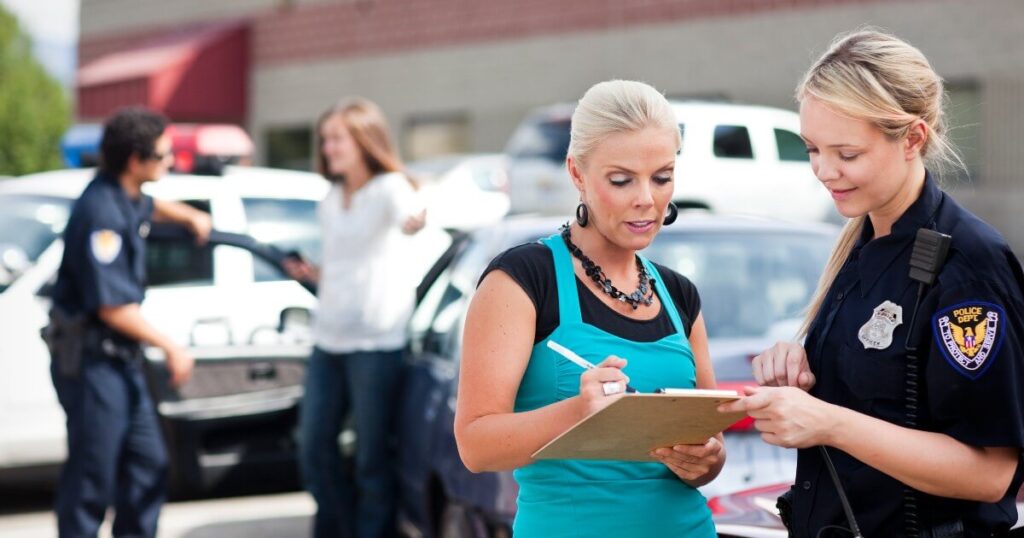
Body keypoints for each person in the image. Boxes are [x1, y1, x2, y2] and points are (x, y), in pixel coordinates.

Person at [719, 30, 1024, 537]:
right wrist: (797, 371)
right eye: (812, 148)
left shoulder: (969, 265)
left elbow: (991, 474)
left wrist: (827, 422)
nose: (823, 170)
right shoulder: (861, 243)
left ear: (912, 138)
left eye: (847, 153)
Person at [454, 80, 723, 537]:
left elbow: (709, 436)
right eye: (621, 180)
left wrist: (706, 460)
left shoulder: (679, 294)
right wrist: (580, 411)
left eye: (662, 177)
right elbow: (476, 446)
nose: (647, 199)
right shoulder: (523, 279)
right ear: (577, 173)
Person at [47, 107, 212, 538]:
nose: (171, 161)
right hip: (91, 363)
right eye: (163, 155)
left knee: (148, 465)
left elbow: (149, 207)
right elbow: (112, 308)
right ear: (135, 161)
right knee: (92, 478)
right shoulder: (101, 213)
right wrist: (172, 346)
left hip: (120, 363)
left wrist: (188, 215)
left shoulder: (126, 194)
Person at [284, 97, 426, 538]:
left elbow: (410, 215)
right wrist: (314, 274)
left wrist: (415, 219)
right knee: (313, 448)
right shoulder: (330, 198)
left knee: (371, 458)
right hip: (329, 339)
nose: (328, 147)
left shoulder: (388, 188)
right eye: (324, 139)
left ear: (364, 139)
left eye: (336, 138)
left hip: (376, 343)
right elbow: (345, 262)